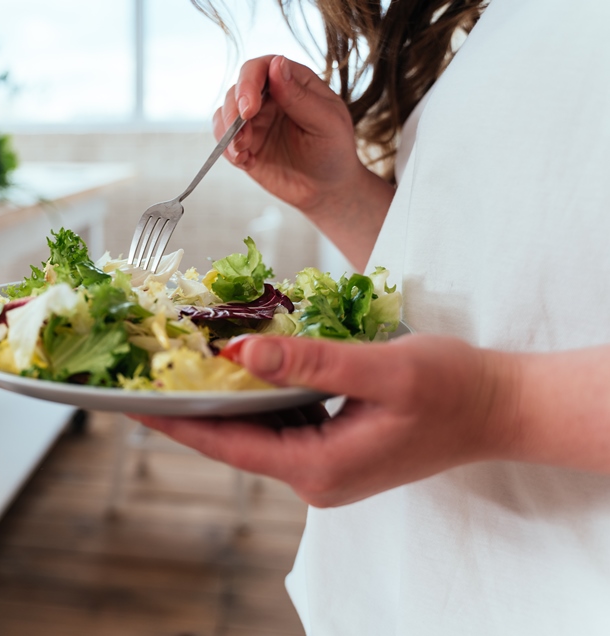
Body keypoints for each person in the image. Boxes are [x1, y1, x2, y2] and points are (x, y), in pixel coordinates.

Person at [129, 0, 610, 633]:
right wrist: (338, 196)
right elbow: (497, 284)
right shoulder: (499, 19)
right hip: (394, 596)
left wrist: (501, 405)